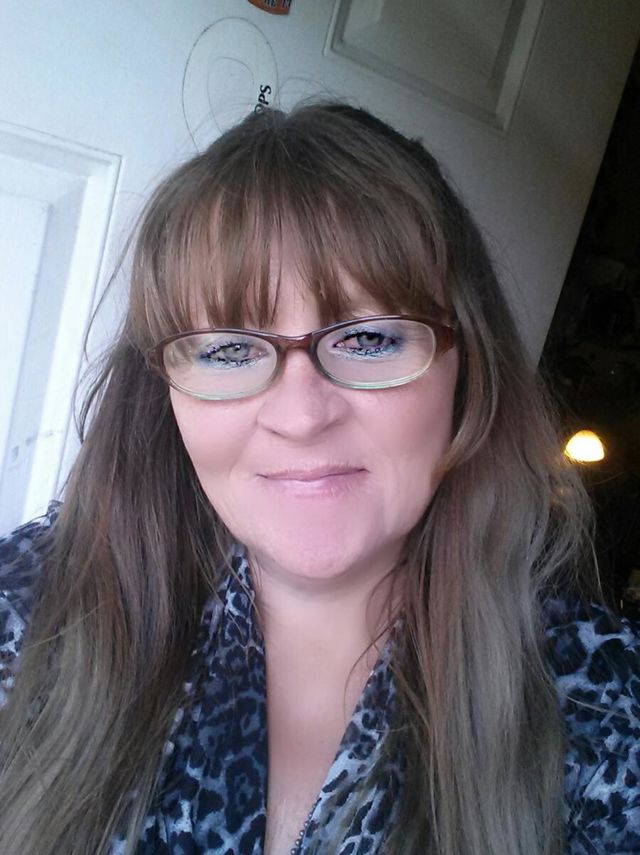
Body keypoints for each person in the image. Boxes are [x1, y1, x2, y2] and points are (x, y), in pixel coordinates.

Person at [0, 103, 638, 855]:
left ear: (467, 367)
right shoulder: (29, 611)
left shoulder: (603, 709)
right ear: (162, 387)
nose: (301, 416)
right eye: (229, 349)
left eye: (368, 337)